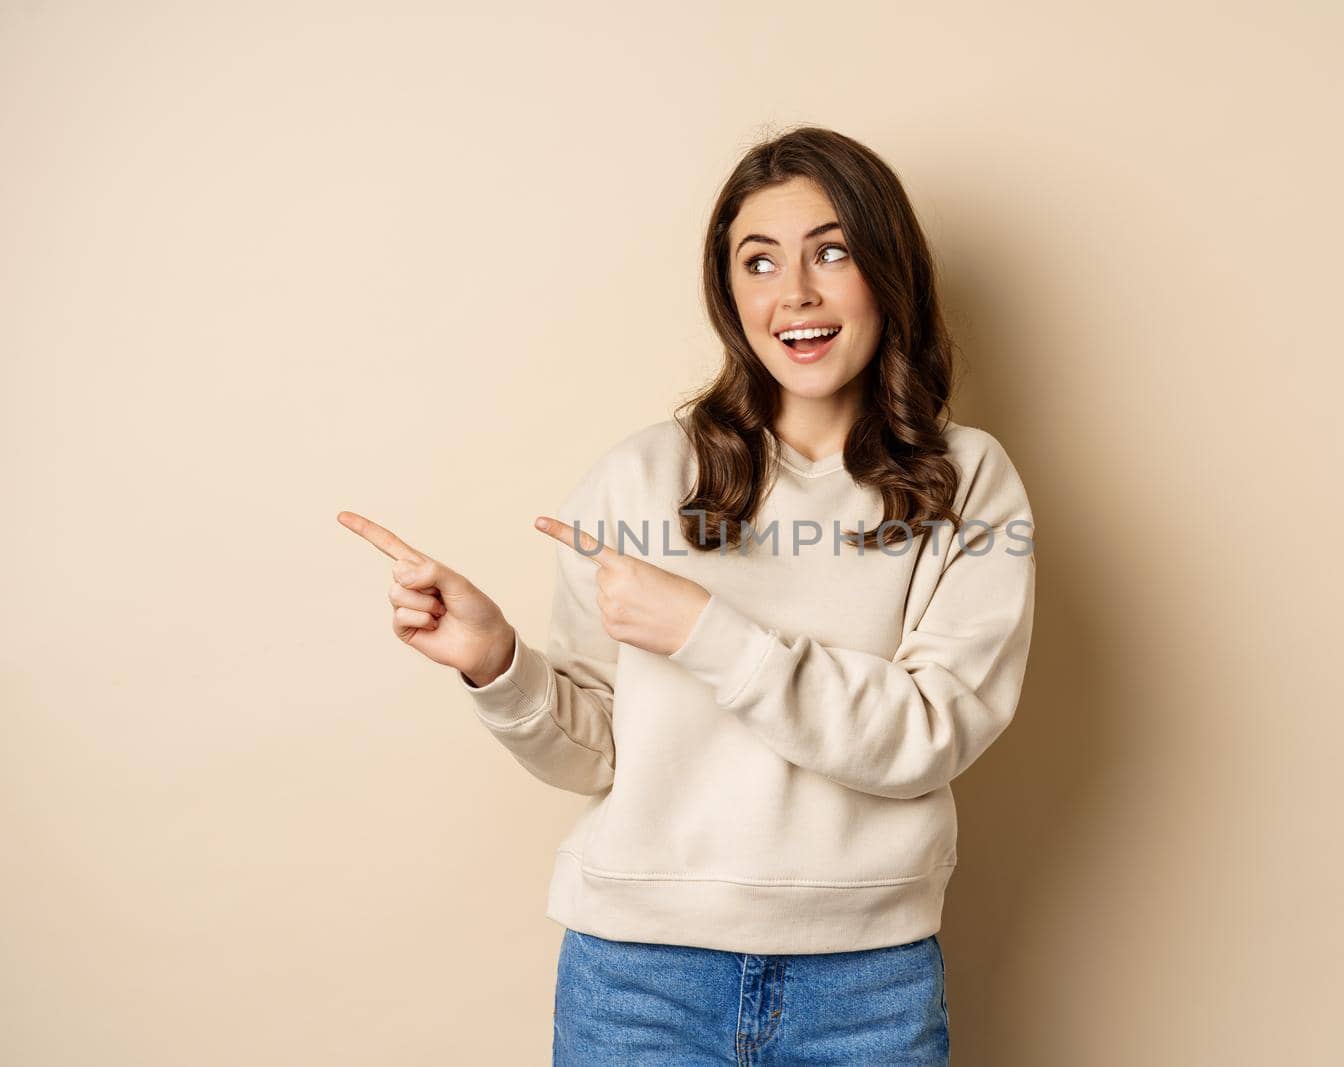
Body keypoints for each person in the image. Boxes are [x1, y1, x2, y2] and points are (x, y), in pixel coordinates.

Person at [337, 125, 1036, 1065]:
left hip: (866, 984)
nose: (795, 294)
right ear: (729, 292)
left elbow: (925, 735)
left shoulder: (968, 480)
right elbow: (599, 754)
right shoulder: (642, 476)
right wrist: (498, 664)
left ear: (888, 270)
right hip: (636, 981)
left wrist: (708, 631)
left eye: (831, 251)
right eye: (759, 262)